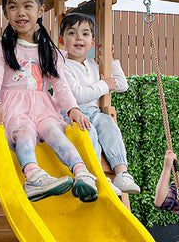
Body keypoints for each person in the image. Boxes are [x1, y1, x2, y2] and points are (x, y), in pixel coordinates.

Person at [0, 0, 98, 202]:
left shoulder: (50, 52)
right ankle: (33, 177)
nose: (21, 12)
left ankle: (81, 171)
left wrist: (72, 108)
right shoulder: (3, 49)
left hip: (42, 107)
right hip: (14, 107)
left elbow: (61, 85)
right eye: (13, 7)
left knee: (55, 132)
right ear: (5, 12)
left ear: (40, 10)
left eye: (28, 6)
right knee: (25, 133)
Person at [58, 10, 141, 196]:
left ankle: (121, 173)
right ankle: (97, 176)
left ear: (92, 43)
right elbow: (78, 95)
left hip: (95, 112)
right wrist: (103, 85)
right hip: (73, 114)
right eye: (72, 33)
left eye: (85, 34)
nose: (79, 38)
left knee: (108, 124)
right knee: (91, 132)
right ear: (62, 41)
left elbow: (121, 85)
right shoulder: (62, 65)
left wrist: (109, 60)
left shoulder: (94, 66)